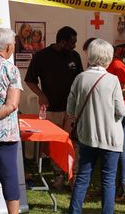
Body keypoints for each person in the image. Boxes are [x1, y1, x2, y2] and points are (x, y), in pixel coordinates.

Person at [67, 38, 125, 214]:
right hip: (111, 138)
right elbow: (121, 111)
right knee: (108, 180)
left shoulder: (80, 78)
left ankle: (74, 211)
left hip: (87, 136)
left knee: (82, 178)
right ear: (108, 57)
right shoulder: (113, 80)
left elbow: (71, 109)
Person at [25, 26, 83, 188]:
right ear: (62, 42)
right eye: (72, 43)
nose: (74, 46)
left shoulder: (75, 56)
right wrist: (41, 95)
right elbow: (30, 80)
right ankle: (58, 175)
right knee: (55, 144)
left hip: (71, 109)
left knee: (73, 142)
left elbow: (81, 80)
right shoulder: (42, 56)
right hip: (51, 109)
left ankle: (74, 176)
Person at [0, 28, 23, 214]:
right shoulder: (10, 69)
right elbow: (11, 105)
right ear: (9, 47)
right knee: (9, 176)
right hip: (5, 133)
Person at [107, 42, 125, 201]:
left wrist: (109, 94)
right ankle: (112, 186)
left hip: (121, 112)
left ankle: (120, 187)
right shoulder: (109, 65)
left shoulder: (117, 65)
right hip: (111, 111)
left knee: (120, 148)